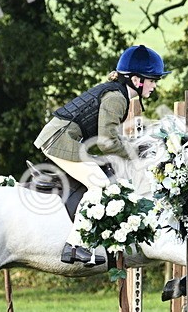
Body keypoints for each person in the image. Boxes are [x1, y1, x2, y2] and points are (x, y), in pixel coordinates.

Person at [34, 45, 167, 265]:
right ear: (136, 80)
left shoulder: (118, 93)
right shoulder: (117, 98)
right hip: (58, 139)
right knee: (100, 185)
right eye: (152, 79)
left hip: (62, 136)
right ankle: (75, 246)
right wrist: (136, 155)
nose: (154, 85)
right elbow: (107, 143)